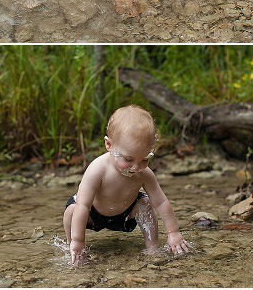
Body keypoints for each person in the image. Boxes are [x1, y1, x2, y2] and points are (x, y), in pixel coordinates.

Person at [63, 105, 190, 266]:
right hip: (92, 214)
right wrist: (78, 240)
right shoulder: (97, 169)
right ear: (109, 145)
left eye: (144, 159)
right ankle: (72, 247)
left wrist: (173, 232)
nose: (136, 167)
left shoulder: (144, 173)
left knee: (145, 203)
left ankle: (152, 249)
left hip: (124, 214)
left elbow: (161, 202)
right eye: (128, 160)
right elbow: (82, 205)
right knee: (72, 210)